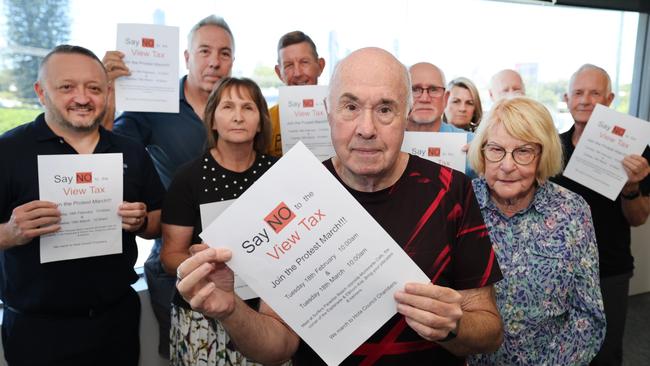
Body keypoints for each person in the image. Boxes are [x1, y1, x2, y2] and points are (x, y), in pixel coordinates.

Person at [175, 47, 503, 365]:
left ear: (406, 112)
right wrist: (231, 310)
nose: (366, 128)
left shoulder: (451, 190)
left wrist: (454, 326)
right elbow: (278, 347)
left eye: (385, 109)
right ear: (327, 110)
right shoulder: (295, 194)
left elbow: (490, 333)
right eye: (350, 107)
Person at [0, 45, 164, 365]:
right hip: (37, 330)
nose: (82, 97)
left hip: (115, 322)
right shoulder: (8, 151)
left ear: (106, 92)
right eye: (66, 87)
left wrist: (141, 222)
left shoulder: (131, 151)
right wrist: (9, 232)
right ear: (40, 92)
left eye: (93, 88)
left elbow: (158, 220)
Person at [102, 15, 235, 358]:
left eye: (224, 53)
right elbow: (109, 152)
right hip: (174, 263)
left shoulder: (241, 110)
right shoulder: (153, 105)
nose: (215, 61)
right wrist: (107, 94)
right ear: (187, 57)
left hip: (240, 261)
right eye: (204, 51)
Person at [467, 97, 605, 365]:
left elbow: (587, 316)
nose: (507, 165)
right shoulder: (459, 206)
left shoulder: (572, 211)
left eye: (523, 151)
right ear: (482, 151)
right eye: (496, 150)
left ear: (543, 154)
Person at [160, 77, 278, 365]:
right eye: (227, 106)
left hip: (267, 314)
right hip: (204, 314)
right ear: (212, 119)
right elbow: (169, 256)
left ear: (261, 121)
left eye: (248, 107)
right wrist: (199, 262)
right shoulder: (187, 177)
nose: (238, 116)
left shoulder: (278, 173)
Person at [551, 64, 650, 366]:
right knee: (557, 352)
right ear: (567, 99)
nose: (585, 100)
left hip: (609, 269)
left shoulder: (635, 151)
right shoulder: (551, 147)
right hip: (557, 269)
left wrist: (631, 187)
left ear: (609, 100)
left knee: (606, 355)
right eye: (578, 92)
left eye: (595, 93)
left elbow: (639, 218)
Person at [267, 30, 325, 157]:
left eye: (304, 62)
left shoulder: (341, 114)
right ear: (279, 73)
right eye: (288, 65)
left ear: (320, 66)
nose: (297, 73)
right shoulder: (266, 120)